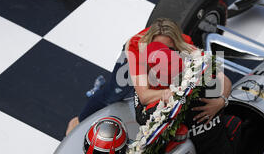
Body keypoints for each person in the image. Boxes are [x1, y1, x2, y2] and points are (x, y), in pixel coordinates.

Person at [66, 18, 226, 135]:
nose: (161, 55)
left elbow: (221, 77)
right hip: (132, 61)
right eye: (156, 49)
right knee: (114, 92)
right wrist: (172, 92)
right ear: (149, 44)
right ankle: (78, 120)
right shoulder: (137, 48)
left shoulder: (186, 47)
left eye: (168, 49)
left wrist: (221, 101)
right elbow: (144, 95)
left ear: (177, 45)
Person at [133, 39, 246, 154]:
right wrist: (221, 101)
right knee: (234, 122)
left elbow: (142, 105)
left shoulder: (157, 112)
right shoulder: (203, 81)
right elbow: (225, 79)